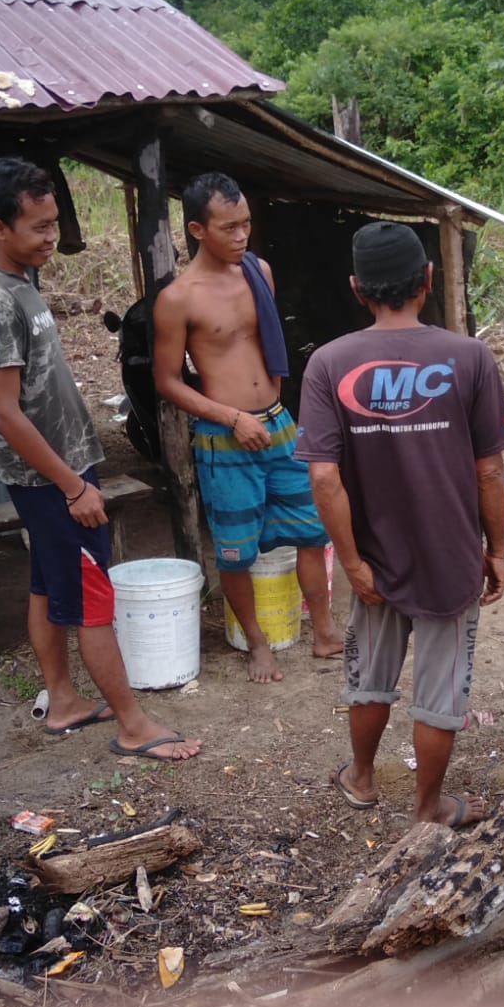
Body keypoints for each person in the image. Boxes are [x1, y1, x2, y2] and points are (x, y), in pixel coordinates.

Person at [0, 156, 200, 760]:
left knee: (49, 584)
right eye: (39, 227)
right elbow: (4, 412)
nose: (52, 238)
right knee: (93, 596)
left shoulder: (19, 283)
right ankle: (133, 725)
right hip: (49, 477)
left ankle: (63, 701)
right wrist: (72, 486)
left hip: (59, 467)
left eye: (54, 223)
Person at [296, 222, 504, 827]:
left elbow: (323, 478)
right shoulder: (469, 357)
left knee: (370, 675)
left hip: (374, 557)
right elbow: (490, 469)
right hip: (450, 556)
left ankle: (362, 778)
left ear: (356, 288)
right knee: (441, 690)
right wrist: (497, 549)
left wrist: (352, 563)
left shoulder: (328, 363)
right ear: (428, 279)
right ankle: (428, 808)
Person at [153, 172, 341, 684]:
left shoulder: (259, 271)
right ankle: (257, 643)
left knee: (311, 529)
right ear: (197, 229)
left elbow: (269, 345)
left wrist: (272, 409)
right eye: (228, 228)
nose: (241, 236)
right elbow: (167, 382)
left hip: (278, 424)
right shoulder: (178, 298)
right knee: (235, 552)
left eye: (246, 224)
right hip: (224, 436)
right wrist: (232, 417)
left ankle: (325, 632)